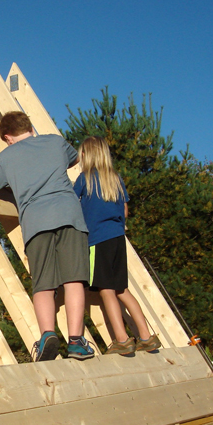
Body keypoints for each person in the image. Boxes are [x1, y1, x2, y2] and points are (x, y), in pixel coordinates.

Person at [0, 111, 93, 361]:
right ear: (30, 127)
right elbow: (73, 159)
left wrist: (15, 180)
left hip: (36, 221)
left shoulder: (7, 156)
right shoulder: (55, 142)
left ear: (7, 137)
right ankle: (76, 342)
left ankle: (47, 335)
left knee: (43, 283)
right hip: (69, 215)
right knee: (74, 280)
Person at [73, 136, 161, 354]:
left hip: (97, 239)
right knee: (122, 289)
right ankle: (146, 336)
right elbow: (124, 210)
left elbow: (72, 205)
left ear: (86, 155)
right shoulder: (115, 179)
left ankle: (122, 339)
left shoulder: (85, 179)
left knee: (106, 291)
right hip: (117, 238)